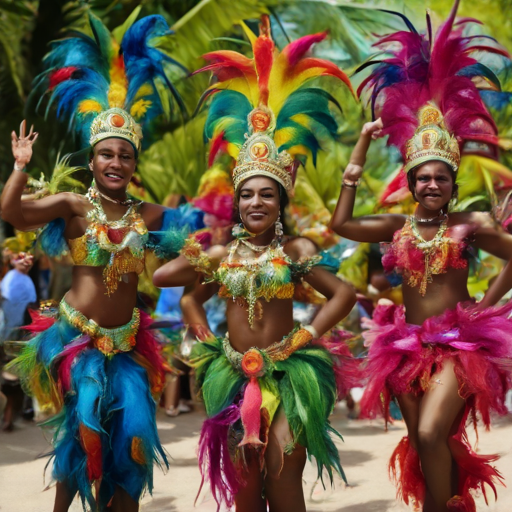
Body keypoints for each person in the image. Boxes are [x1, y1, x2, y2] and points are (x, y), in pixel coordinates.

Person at [153, 16, 357, 512]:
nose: (256, 202)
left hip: (291, 374)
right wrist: (202, 330)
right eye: (247, 194)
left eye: (267, 194)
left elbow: (344, 295)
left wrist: (304, 339)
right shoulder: (222, 254)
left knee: (283, 475)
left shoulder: (295, 253)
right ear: (238, 202)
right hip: (231, 371)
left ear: (280, 201)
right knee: (244, 491)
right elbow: (171, 283)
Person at [1, 14, 197, 512]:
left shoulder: (151, 215)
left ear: (135, 163)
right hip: (75, 339)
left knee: (130, 444)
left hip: (129, 341)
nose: (115, 163)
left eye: (125, 156)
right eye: (106, 154)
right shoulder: (71, 205)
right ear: (92, 160)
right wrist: (20, 169)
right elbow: (11, 211)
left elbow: (193, 251)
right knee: (84, 431)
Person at [330, 3, 512, 511]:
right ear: (410, 183)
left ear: (453, 183)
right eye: (423, 177)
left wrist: (488, 307)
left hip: (462, 346)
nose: (432, 183)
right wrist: (359, 153)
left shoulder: (470, 225)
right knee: (423, 442)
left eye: (441, 177)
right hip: (406, 347)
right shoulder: (397, 225)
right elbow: (341, 225)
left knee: (432, 433)